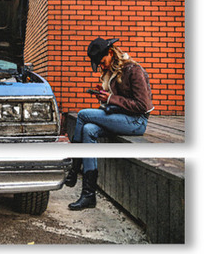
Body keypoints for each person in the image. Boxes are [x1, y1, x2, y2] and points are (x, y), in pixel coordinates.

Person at [66, 37, 154, 210]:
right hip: (121, 118)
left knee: (83, 115)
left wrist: (111, 98)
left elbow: (142, 106)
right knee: (88, 129)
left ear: (111, 53)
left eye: (102, 61)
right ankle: (88, 195)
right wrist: (105, 97)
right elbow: (119, 102)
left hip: (136, 121)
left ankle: (73, 169)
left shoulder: (134, 70)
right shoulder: (113, 73)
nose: (101, 66)